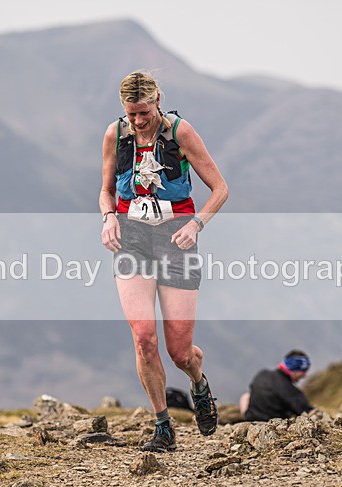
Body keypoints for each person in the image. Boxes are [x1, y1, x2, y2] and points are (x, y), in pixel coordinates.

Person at [100, 71, 229, 452]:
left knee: (180, 352)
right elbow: (106, 191)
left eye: (144, 113)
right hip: (132, 238)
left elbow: (220, 189)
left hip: (176, 239)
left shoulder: (180, 132)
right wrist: (108, 218)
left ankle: (198, 384)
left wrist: (196, 225)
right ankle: (163, 425)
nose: (138, 121)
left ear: (158, 101)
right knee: (143, 338)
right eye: (131, 114)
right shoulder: (115, 135)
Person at [240, 350, 314, 422]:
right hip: (271, 424)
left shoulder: (262, 374)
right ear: (294, 368)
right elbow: (306, 410)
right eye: (303, 370)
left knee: (246, 396)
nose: (305, 375)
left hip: (250, 419)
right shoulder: (288, 389)